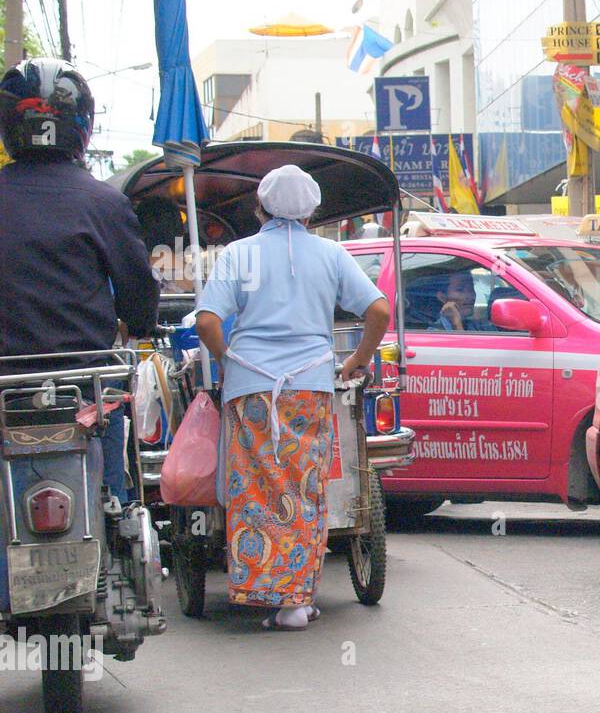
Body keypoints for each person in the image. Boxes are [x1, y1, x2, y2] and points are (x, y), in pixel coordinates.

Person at [195, 164, 391, 631]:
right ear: (312, 211)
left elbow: (206, 322)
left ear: (258, 207)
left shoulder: (238, 255)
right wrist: (357, 361)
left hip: (251, 389)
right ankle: (296, 603)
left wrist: (228, 359)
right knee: (304, 490)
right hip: (309, 386)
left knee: (258, 491)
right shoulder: (331, 254)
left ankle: (264, 592)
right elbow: (379, 309)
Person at [0, 58, 159, 506]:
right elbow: (137, 294)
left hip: (6, 386)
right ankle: (115, 521)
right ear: (82, 123)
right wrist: (141, 324)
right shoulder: (104, 201)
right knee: (115, 507)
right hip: (86, 387)